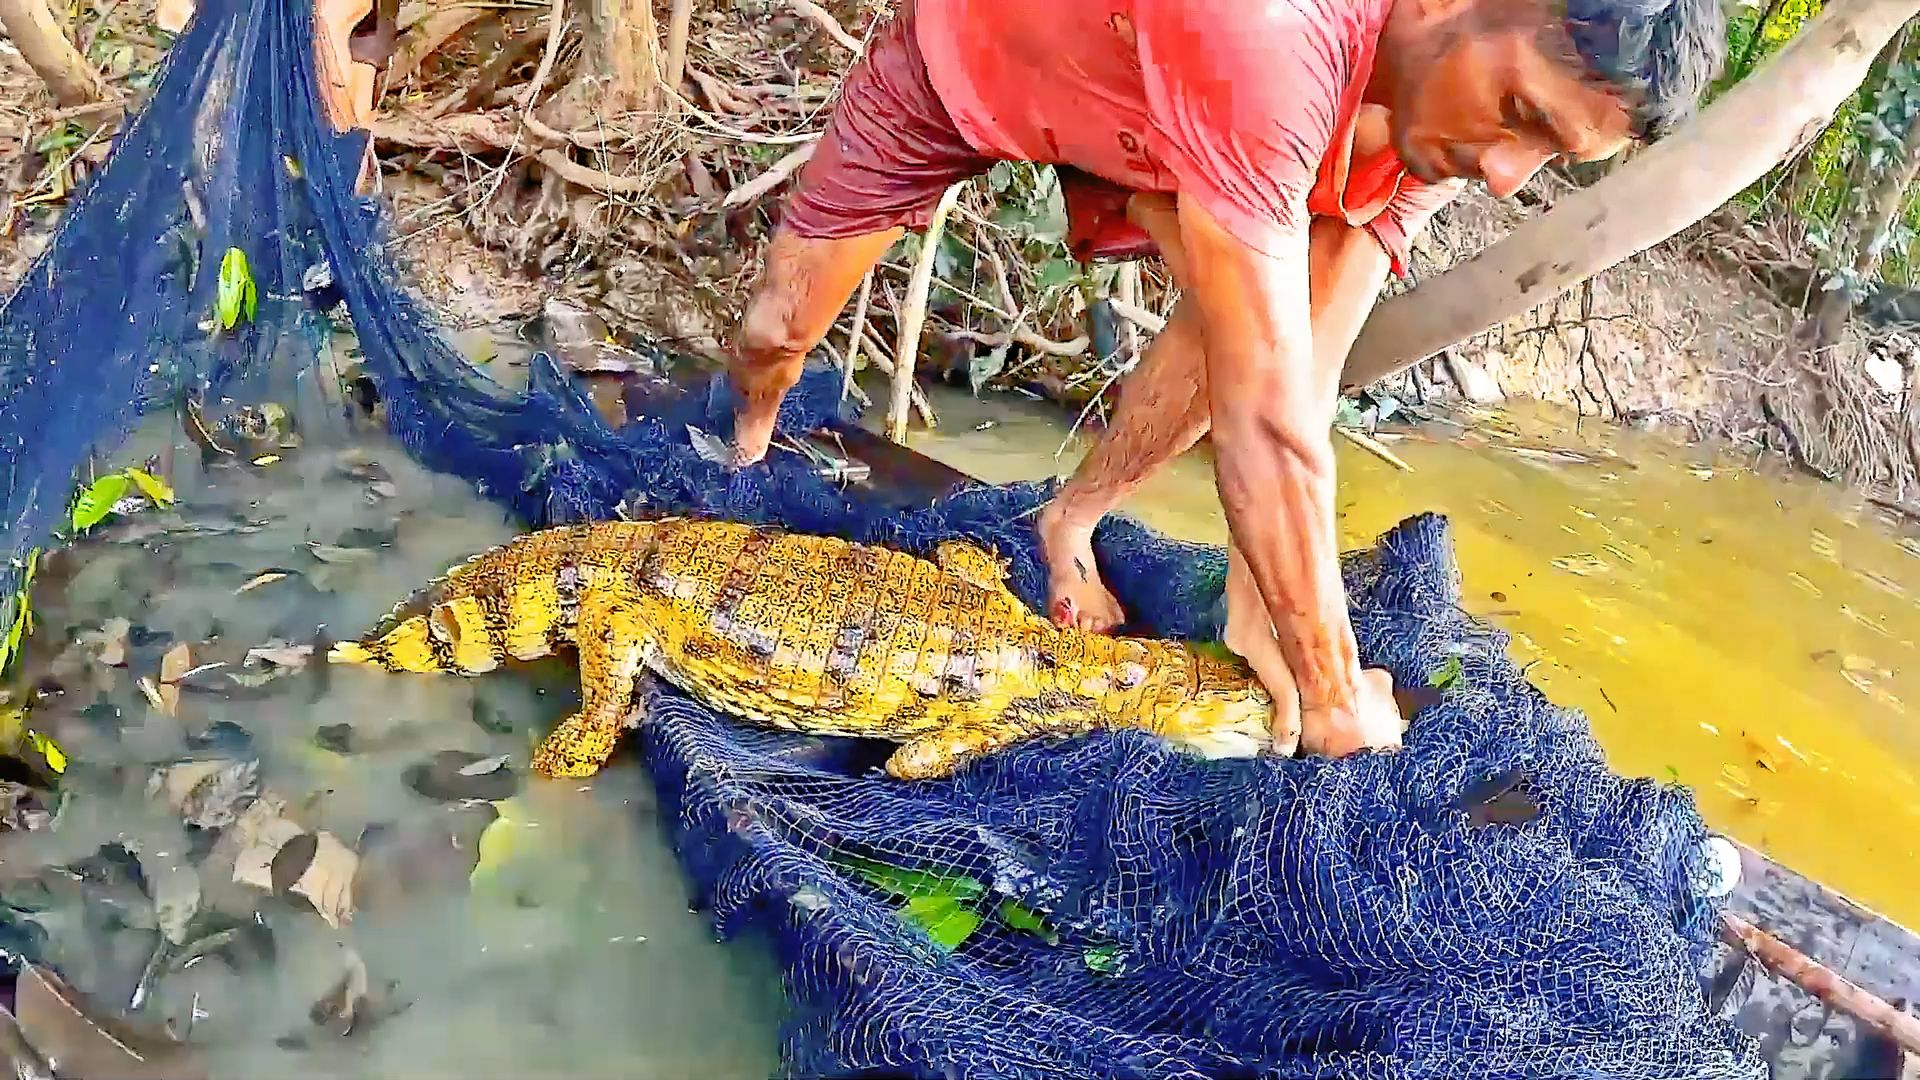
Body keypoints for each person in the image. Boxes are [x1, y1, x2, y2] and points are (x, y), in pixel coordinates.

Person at [726, 0, 1724, 757]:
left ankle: (1068, 520)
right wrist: (1332, 690)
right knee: (779, 331)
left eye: (1551, 155)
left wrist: (1268, 594)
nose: (1507, 175)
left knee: (1246, 330)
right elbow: (1270, 433)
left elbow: (1300, 377)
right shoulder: (1274, 26)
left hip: (1174, 119)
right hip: (989, 54)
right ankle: (746, 453)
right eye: (1518, 116)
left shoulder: (1430, 125)